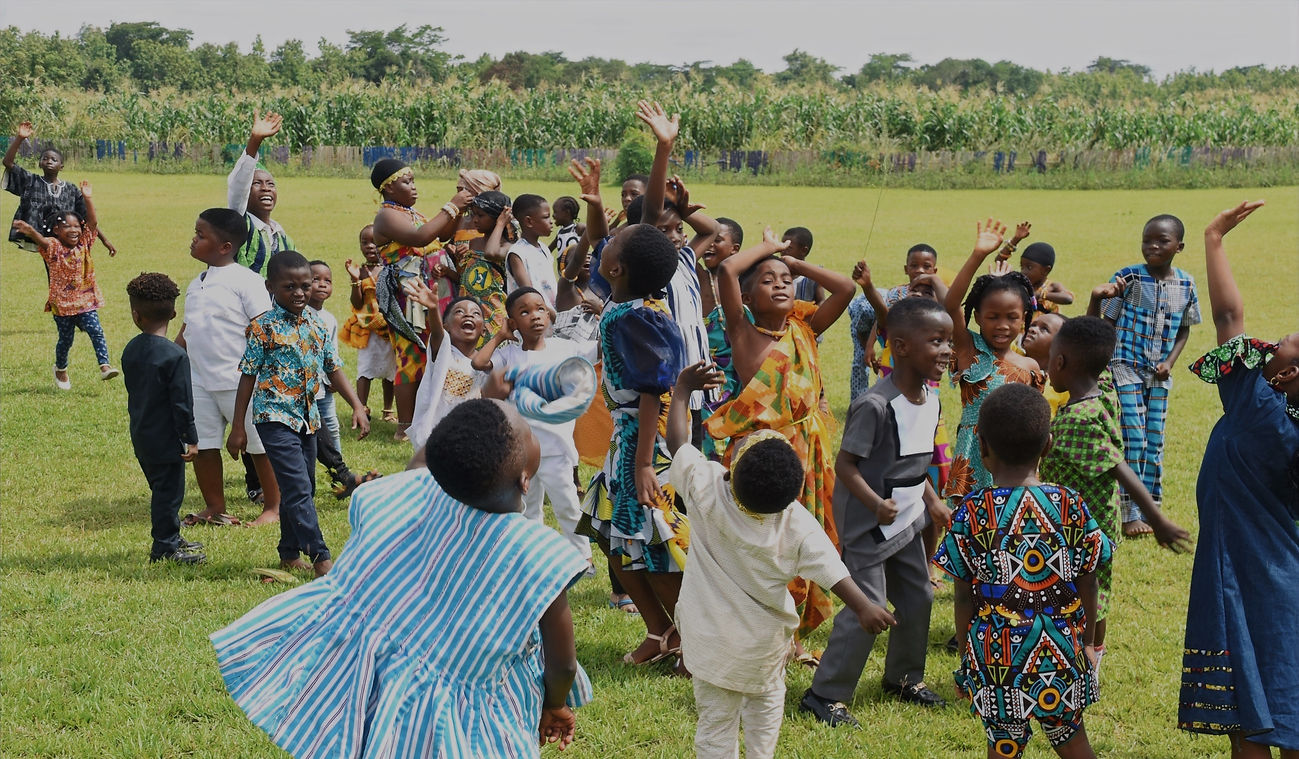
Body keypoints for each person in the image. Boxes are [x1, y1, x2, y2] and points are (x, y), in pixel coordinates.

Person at [211, 399, 592, 758]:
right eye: (529, 432)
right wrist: (555, 703)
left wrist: (472, 408)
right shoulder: (538, 556)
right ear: (526, 480)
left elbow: (421, 463)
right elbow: (562, 665)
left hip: (383, 683)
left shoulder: (411, 490)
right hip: (464, 715)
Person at [665, 361, 895, 759]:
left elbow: (678, 444)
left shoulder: (705, 490)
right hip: (764, 651)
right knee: (765, 714)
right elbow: (832, 570)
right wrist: (864, 608)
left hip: (709, 643)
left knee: (715, 727)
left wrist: (683, 390)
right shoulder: (795, 523)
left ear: (731, 472)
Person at [1177, 200, 1299, 757]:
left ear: (1286, 374)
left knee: (1245, 702)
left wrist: (1214, 238)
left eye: (1286, 342)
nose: (1273, 341)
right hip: (1285, 572)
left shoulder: (1254, 402)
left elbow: (1229, 318)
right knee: (1287, 689)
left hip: (1240, 572)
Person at [933, 383, 1113, 759]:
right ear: (1047, 444)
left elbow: (963, 595)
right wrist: (1086, 641)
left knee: (1004, 744)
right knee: (1071, 738)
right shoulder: (1069, 504)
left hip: (996, 656)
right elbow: (1090, 579)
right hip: (1061, 649)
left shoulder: (971, 512)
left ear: (981, 448)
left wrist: (969, 657)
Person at [802, 297, 954, 726]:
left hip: (907, 518)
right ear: (901, 347)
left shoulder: (930, 397)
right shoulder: (875, 404)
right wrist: (874, 503)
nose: (946, 350)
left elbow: (914, 464)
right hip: (869, 523)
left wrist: (932, 500)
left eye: (949, 341)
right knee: (866, 604)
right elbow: (846, 466)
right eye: (936, 341)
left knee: (918, 594)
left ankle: (904, 678)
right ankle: (824, 694)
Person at [705, 225, 856, 640]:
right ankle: (759, 623)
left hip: (808, 452)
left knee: (804, 538)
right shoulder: (742, 330)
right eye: (768, 281)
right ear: (749, 299)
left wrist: (793, 262)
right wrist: (768, 249)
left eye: (787, 282)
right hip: (762, 456)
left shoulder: (804, 327)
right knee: (764, 541)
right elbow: (727, 273)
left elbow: (845, 288)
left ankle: (793, 634)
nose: (780, 285)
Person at [1041, 315, 1191, 671]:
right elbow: (1096, 350)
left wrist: (1157, 519)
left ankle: (1086, 656)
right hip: (1098, 518)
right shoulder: (1103, 388)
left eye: (1050, 358)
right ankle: (1093, 648)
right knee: (1095, 588)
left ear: (1060, 363)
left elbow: (1118, 468)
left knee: (1086, 589)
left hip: (1079, 526)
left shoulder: (1078, 419)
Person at [576, 222, 687, 669]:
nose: (606, 243)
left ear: (617, 267)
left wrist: (642, 463)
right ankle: (660, 631)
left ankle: (693, 637)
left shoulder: (637, 316)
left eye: (612, 245)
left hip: (642, 448)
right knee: (615, 539)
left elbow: (651, 391)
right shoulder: (624, 305)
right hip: (623, 445)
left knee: (654, 544)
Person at [228, 251, 371, 578]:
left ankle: (289, 553)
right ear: (271, 287)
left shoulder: (317, 323)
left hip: (307, 419)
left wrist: (358, 405)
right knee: (297, 488)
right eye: (289, 286)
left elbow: (332, 368)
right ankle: (322, 559)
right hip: (273, 418)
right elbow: (247, 375)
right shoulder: (263, 327)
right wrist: (238, 427)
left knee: (303, 484)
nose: (299, 293)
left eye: (305, 286)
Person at [473, 286, 596, 565]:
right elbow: (479, 362)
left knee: (567, 505)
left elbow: (599, 350)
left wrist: (606, 313)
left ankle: (582, 557)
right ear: (513, 323)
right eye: (525, 312)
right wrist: (501, 335)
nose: (536, 316)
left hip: (556, 448)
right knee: (528, 508)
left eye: (540, 308)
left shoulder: (566, 349)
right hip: (521, 449)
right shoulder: (509, 355)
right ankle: (533, 558)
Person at [1095, 214, 1201, 537]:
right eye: (1147, 240)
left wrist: (1170, 360)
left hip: (1158, 373)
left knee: (1154, 442)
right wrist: (1101, 362)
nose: (1152, 246)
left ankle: (1150, 510)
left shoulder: (1186, 283)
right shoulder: (1128, 277)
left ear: (1179, 247)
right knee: (1133, 438)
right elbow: (1107, 321)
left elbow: (1184, 329)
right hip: (1123, 365)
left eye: (1162, 241)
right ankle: (1129, 515)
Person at [175, 208, 279, 528]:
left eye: (201, 235)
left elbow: (264, 328)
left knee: (258, 446)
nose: (193, 239)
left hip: (240, 381)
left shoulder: (246, 281)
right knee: (204, 445)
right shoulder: (197, 283)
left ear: (225, 246)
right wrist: (168, 358)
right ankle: (214, 506)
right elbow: (188, 329)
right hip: (200, 380)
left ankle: (274, 507)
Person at [370, 158, 475, 440]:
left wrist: (457, 213)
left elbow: (439, 235)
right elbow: (421, 238)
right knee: (411, 353)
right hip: (408, 294)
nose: (414, 187)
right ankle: (405, 426)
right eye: (407, 182)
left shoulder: (410, 212)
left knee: (436, 346)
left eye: (414, 180)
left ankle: (435, 413)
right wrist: (451, 205)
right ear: (388, 187)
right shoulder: (386, 216)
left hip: (430, 290)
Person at [942, 219, 1046, 502]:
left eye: (1012, 317)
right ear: (977, 317)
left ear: (1025, 318)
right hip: (975, 457)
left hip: (1017, 464)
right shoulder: (969, 349)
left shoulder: (1031, 369)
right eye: (992, 317)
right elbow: (951, 304)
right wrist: (979, 254)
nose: (1002, 325)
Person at [636, 100, 718, 445]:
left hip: (695, 379)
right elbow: (650, 214)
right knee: (669, 461)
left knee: (694, 460)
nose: (672, 236)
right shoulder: (648, 267)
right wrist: (663, 148)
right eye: (663, 230)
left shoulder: (685, 258)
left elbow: (712, 230)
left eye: (677, 230)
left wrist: (684, 210)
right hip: (668, 383)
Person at [121, 272, 204, 564]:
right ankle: (165, 548)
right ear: (173, 312)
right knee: (168, 494)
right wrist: (191, 439)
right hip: (168, 440)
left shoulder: (130, 349)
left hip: (142, 434)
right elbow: (182, 404)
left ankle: (172, 535)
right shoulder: (174, 356)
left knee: (161, 489)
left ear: (135, 315)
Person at [10, 181, 119, 388]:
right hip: (62, 304)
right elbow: (42, 241)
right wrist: (30, 231)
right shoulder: (54, 247)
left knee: (96, 330)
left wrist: (87, 198)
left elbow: (93, 224)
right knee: (65, 340)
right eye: (67, 226)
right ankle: (60, 368)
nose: (74, 229)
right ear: (56, 230)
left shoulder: (84, 244)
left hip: (86, 299)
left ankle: (104, 366)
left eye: (77, 226)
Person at [307, 260, 380, 498]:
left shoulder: (328, 318)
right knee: (313, 436)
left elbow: (332, 359)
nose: (321, 284)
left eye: (327, 281)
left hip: (323, 388)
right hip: (303, 392)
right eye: (315, 279)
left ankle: (340, 479)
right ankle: (342, 477)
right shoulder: (300, 314)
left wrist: (352, 400)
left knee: (328, 431)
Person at [4, 120, 117, 255]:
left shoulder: (71, 190)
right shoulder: (31, 181)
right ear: (40, 164)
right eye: (45, 158)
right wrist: (20, 138)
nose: (49, 161)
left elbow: (87, 219)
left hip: (67, 238)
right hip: (44, 239)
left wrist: (104, 240)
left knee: (68, 271)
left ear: (61, 166)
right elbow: (8, 162)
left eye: (54, 159)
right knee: (55, 268)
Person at [404, 283, 490, 452]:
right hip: (434, 438)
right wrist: (433, 308)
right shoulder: (445, 352)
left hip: (470, 440)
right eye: (459, 312)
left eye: (476, 313)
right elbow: (437, 334)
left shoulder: (488, 363)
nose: (468, 315)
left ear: (484, 331)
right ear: (446, 326)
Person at [226, 111, 294, 276]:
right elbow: (239, 184)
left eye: (271, 184)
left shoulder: (284, 238)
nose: (266, 188)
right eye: (257, 183)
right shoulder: (241, 225)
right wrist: (255, 141)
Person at [340, 225, 396, 423]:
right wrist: (355, 281)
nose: (370, 246)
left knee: (391, 372)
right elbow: (356, 302)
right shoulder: (362, 270)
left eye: (375, 242)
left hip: (389, 329)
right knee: (365, 369)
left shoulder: (392, 268)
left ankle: (388, 410)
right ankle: (361, 408)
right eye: (364, 242)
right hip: (368, 330)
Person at [449, 190, 514, 339]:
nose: (475, 220)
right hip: (471, 315)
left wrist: (500, 224)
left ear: (498, 218)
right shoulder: (474, 242)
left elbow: (490, 253)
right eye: (473, 214)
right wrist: (456, 263)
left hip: (494, 316)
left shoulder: (508, 247)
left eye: (481, 215)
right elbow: (469, 279)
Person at [1017, 242, 1075, 315]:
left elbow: (1068, 298)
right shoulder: (1021, 286)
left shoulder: (1052, 286)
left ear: (1046, 270)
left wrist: (1041, 295)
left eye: (1029, 267)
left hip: (1045, 325)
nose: (1023, 271)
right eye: (1022, 266)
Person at [783, 227, 825, 305]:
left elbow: (821, 300)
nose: (782, 250)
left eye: (788, 248)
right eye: (782, 246)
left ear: (803, 251)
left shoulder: (814, 275)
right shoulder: (777, 272)